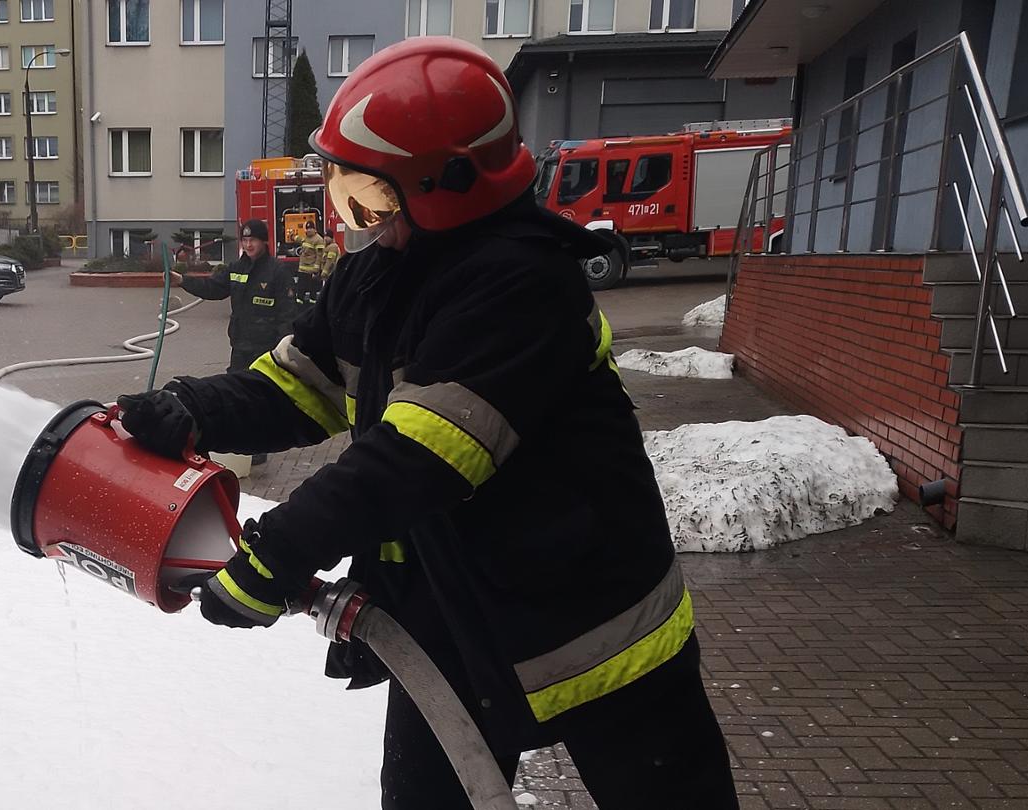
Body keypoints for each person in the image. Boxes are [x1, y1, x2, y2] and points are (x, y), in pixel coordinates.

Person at [113, 38, 737, 810]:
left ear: (447, 186)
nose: (357, 220)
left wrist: (278, 554)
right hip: (446, 620)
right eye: (346, 193)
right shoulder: (375, 275)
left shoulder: (522, 284)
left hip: (595, 628)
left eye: (370, 197)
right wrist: (193, 409)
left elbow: (416, 456)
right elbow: (297, 387)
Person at [171, 219, 295, 375]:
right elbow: (212, 287)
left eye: (253, 240)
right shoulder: (236, 268)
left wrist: (281, 350)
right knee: (234, 387)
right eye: (245, 240)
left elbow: (287, 314)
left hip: (267, 351)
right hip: (240, 349)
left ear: (264, 241)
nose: (248, 245)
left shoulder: (278, 271)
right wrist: (182, 280)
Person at [293, 223, 338, 304]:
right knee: (301, 287)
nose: (309, 230)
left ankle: (312, 303)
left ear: (314, 229)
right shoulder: (306, 238)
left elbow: (319, 256)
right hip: (302, 269)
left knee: (312, 288)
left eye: (310, 228)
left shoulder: (318, 240)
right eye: (307, 228)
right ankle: (300, 301)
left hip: (311, 269)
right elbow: (301, 240)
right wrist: (293, 236)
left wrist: (316, 270)